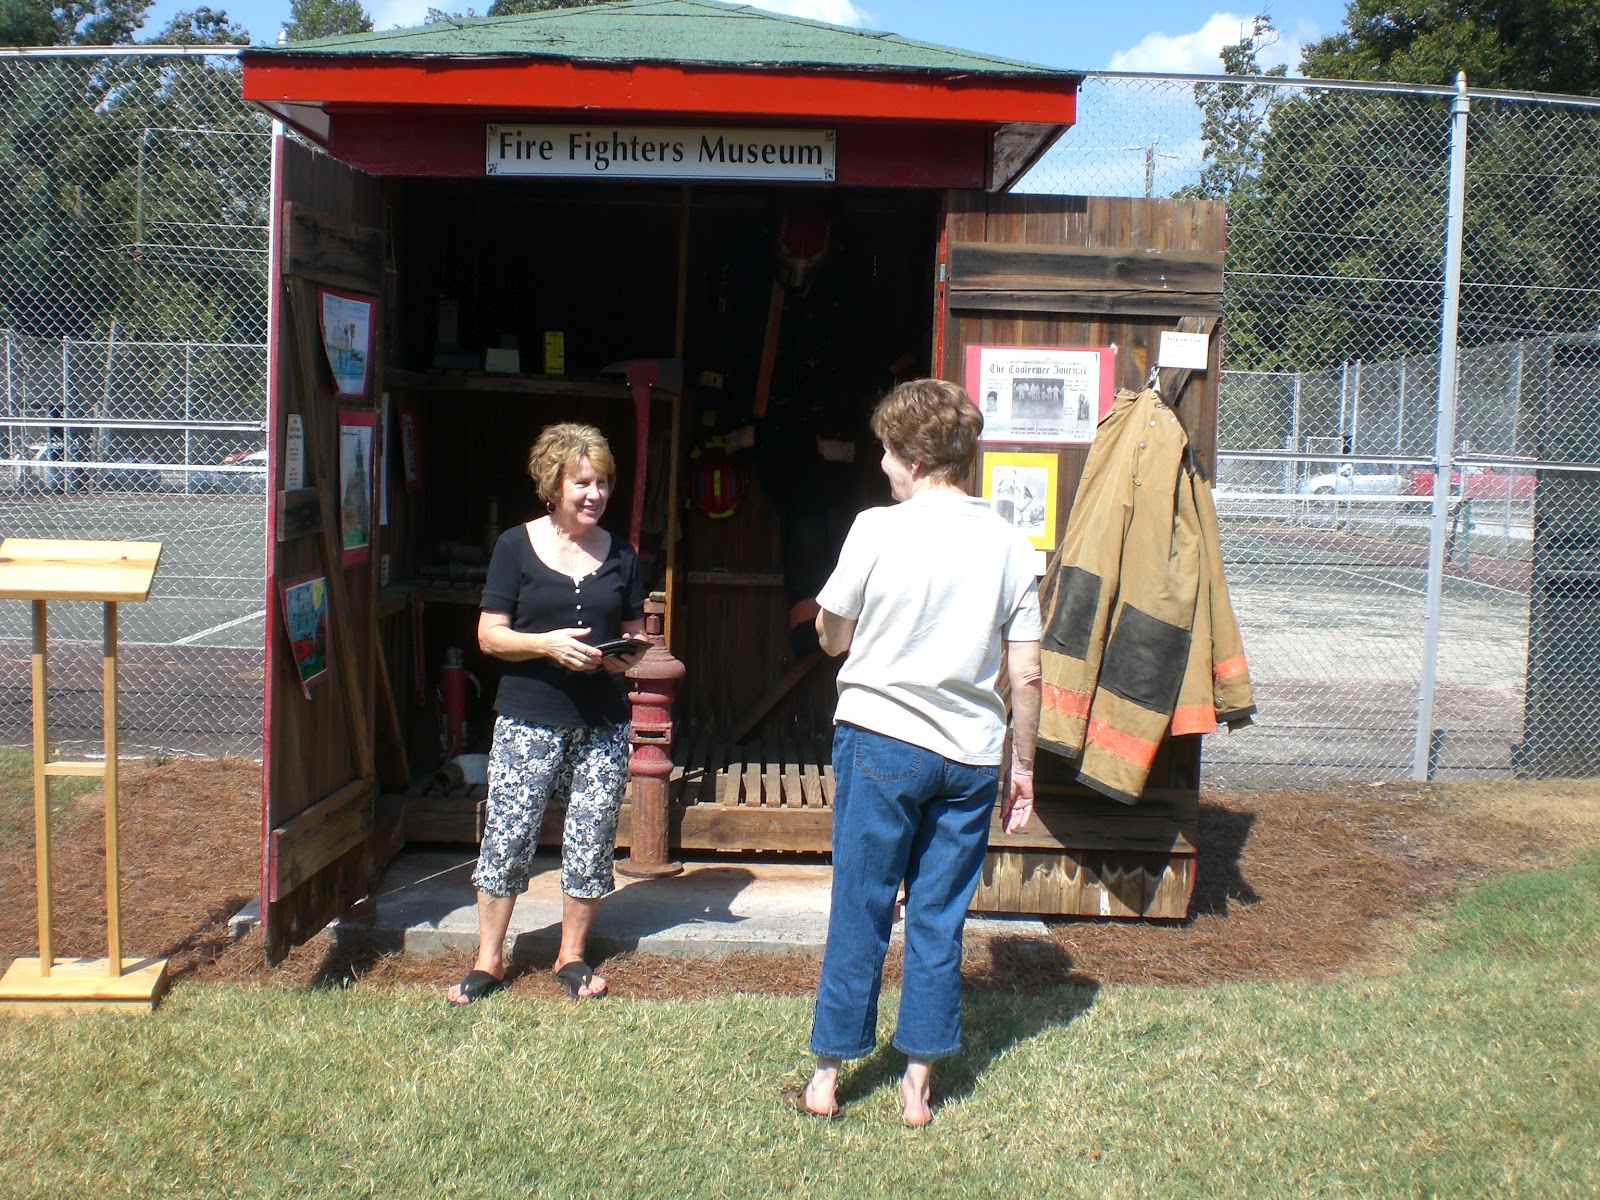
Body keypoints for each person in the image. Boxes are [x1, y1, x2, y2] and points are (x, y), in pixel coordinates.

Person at [784, 378, 1042, 1127]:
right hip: (970, 757)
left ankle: (827, 1078)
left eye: (887, 453)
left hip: (881, 741)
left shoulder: (875, 529)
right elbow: (1026, 671)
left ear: (915, 458)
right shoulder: (1009, 541)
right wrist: (1023, 766)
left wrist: (840, 631)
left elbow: (832, 636)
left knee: (861, 906)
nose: (882, 466)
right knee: (938, 917)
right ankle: (918, 1085)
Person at [447, 423, 647, 1005]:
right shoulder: (515, 546)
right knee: (508, 836)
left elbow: (635, 634)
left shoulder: (623, 553)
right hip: (528, 720)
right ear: (553, 484)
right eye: (582, 483)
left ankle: (572, 957)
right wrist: (547, 645)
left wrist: (625, 656)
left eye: (602, 482)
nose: (595, 494)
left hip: (602, 724)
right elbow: (489, 636)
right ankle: (488, 961)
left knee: (592, 838)